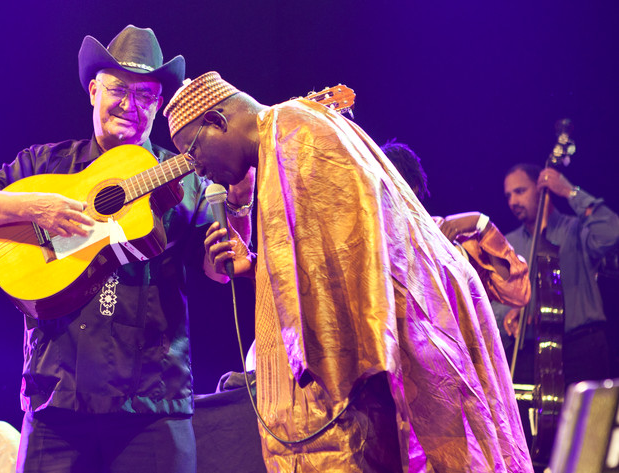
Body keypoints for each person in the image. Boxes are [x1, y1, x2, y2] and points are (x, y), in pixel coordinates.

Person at [163, 71, 532, 472]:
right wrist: (254, 266)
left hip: (372, 373)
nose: (197, 169)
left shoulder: (293, 129)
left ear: (217, 122)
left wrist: (330, 382)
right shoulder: (276, 147)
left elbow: (357, 249)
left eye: (193, 150)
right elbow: (321, 256)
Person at [0, 27, 251, 473]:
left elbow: (219, 267)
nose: (130, 106)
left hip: (153, 407)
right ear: (93, 90)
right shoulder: (46, 164)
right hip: (56, 401)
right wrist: (37, 207)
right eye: (118, 90)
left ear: (158, 106)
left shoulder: (185, 180)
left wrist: (240, 202)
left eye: (146, 96)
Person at [493, 163, 619, 386]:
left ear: (542, 189)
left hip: (582, 347)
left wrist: (570, 191)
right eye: (508, 195)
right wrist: (509, 313)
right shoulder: (507, 243)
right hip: (532, 353)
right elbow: (494, 299)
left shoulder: (576, 229)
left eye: (520, 191)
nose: (513, 202)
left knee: (588, 419)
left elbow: (612, 233)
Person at [382, 140, 530, 308]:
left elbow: (518, 293)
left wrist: (481, 222)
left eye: (391, 183)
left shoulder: (452, 236)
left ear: (413, 187)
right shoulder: (377, 246)